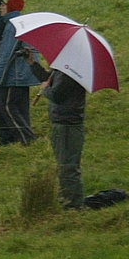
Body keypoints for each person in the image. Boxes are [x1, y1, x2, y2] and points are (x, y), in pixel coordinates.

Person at [0, 0, 40, 146]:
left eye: (4, 5)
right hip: (24, 74)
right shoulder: (23, 22)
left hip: (14, 75)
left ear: (11, 7)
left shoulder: (12, 25)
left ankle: (27, 138)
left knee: (6, 106)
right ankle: (27, 138)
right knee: (21, 107)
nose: (0, 8)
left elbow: (6, 53)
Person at [44, 67, 88, 209]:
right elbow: (49, 79)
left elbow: (57, 95)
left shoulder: (69, 71)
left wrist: (45, 89)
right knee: (64, 164)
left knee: (67, 165)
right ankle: (68, 199)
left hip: (67, 124)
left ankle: (73, 203)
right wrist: (33, 64)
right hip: (63, 122)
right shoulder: (63, 69)